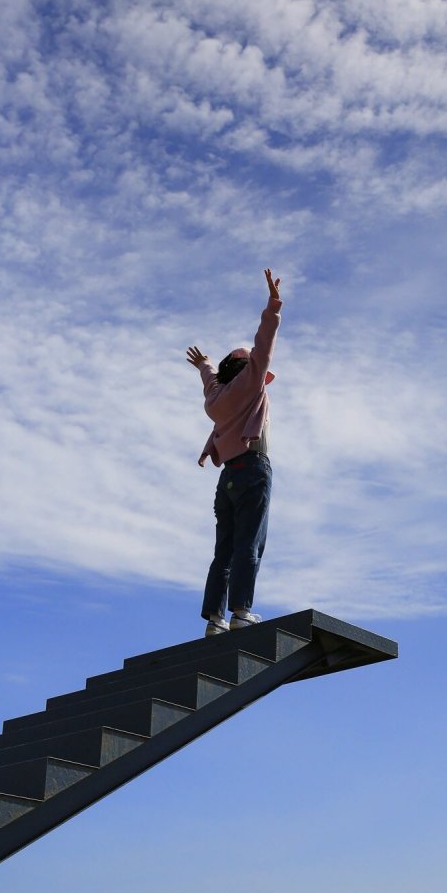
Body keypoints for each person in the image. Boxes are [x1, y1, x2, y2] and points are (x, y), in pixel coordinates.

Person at [187, 268, 282, 637]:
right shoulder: (250, 382)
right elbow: (264, 343)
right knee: (250, 542)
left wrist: (203, 365)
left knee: (223, 549)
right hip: (253, 469)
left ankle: (216, 620)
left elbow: (210, 378)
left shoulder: (215, 398)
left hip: (226, 477)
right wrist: (273, 305)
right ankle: (242, 611)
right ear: (247, 369)